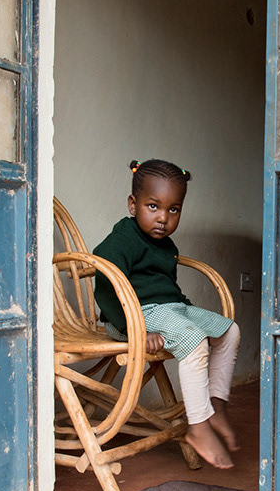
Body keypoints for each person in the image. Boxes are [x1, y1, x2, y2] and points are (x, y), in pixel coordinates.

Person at [92, 159, 241, 469]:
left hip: (167, 309)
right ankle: (198, 427)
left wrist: (187, 310)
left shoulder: (165, 245)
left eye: (173, 209)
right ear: (133, 204)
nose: (163, 218)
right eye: (153, 206)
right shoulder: (123, 239)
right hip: (133, 316)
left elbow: (166, 288)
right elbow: (106, 283)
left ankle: (216, 404)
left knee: (230, 331)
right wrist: (135, 329)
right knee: (194, 342)